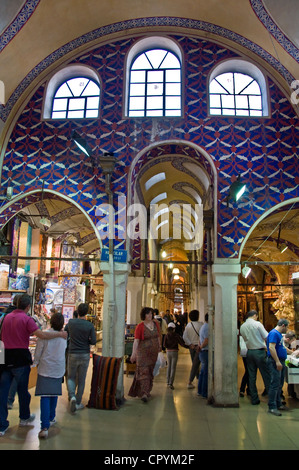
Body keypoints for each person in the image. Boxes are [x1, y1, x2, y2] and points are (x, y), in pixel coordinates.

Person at [0, 294, 67, 437]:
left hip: (5, 357)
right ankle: (24, 417)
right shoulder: (26, 319)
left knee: (2, 392)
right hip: (20, 358)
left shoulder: (5, 318)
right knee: (23, 391)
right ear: (28, 306)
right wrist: (59, 335)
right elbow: (41, 336)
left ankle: (1, 425)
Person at [34, 312, 67, 438]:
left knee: (45, 396)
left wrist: (35, 363)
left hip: (45, 368)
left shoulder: (45, 335)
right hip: (58, 369)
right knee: (54, 394)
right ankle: (52, 417)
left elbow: (38, 351)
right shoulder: (64, 336)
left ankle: (44, 427)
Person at [64, 303, 96, 413]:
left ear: (77, 311)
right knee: (82, 379)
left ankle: (72, 396)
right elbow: (93, 341)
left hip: (72, 352)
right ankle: (78, 402)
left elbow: (65, 334)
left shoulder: (71, 323)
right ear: (87, 312)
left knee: (71, 377)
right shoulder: (89, 325)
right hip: (85, 354)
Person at [128, 307, 160, 403]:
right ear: (144, 315)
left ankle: (147, 390)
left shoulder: (156, 324)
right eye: (147, 314)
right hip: (143, 353)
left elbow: (158, 336)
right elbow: (136, 341)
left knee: (150, 371)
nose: (150, 315)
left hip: (153, 353)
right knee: (143, 371)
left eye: (151, 313)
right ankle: (144, 393)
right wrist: (133, 354)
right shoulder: (140, 326)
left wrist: (160, 348)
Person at [240, 310, 270, 405]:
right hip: (259, 351)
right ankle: (273, 398)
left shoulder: (242, 326)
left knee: (251, 376)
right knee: (266, 375)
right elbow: (266, 336)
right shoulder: (257, 324)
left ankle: (254, 398)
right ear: (255, 315)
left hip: (250, 352)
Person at [267, 319, 293, 416]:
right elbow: (271, 347)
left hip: (280, 361)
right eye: (287, 327)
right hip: (274, 362)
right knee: (275, 384)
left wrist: (291, 352)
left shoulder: (278, 335)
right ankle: (272, 406)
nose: (287, 329)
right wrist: (277, 361)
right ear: (283, 325)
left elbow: (282, 347)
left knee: (279, 384)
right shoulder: (274, 333)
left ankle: (278, 403)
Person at [183, 309, 203, 389]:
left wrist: (190, 344)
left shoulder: (188, 325)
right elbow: (203, 336)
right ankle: (190, 381)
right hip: (199, 347)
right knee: (196, 364)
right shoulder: (201, 325)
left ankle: (197, 378)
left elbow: (184, 337)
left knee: (195, 363)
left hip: (192, 347)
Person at [164, 322, 188, 389]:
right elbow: (182, 344)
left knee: (169, 366)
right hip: (174, 352)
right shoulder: (176, 335)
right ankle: (171, 383)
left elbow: (164, 345)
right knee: (173, 367)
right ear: (174, 328)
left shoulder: (166, 335)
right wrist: (189, 347)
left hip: (168, 352)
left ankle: (167, 381)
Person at [197, 313, 209, 399]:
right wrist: (201, 347)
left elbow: (200, 339)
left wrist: (199, 346)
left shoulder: (203, 326)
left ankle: (200, 390)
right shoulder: (207, 327)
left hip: (202, 351)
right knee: (205, 372)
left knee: (203, 371)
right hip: (205, 351)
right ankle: (204, 391)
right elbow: (206, 340)